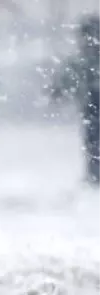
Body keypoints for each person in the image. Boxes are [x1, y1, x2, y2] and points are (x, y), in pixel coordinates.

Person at [49, 15, 100, 185]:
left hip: (91, 102)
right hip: (91, 102)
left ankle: (95, 173)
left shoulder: (85, 57)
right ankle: (94, 172)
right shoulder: (85, 57)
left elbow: (72, 74)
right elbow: (72, 74)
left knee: (93, 140)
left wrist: (57, 90)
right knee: (93, 139)